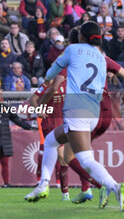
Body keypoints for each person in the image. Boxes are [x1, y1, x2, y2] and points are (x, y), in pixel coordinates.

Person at [24, 21, 124, 212]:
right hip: (94, 112)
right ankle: (43, 185)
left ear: (81, 36)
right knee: (50, 141)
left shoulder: (73, 51)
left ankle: (114, 186)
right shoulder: (100, 57)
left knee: (85, 159)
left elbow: (51, 75)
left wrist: (49, 76)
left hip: (76, 110)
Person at [29, 71, 70, 201]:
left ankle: (59, 190)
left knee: (63, 159)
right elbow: (33, 99)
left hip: (64, 124)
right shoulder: (47, 84)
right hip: (49, 125)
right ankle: (62, 193)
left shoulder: (67, 83)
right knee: (62, 157)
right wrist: (38, 109)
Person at [0, 87, 32, 188]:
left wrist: (29, 127)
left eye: (0, 94)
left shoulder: (6, 107)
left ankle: (6, 183)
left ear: (2, 95)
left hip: (5, 140)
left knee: (5, 164)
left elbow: (16, 119)